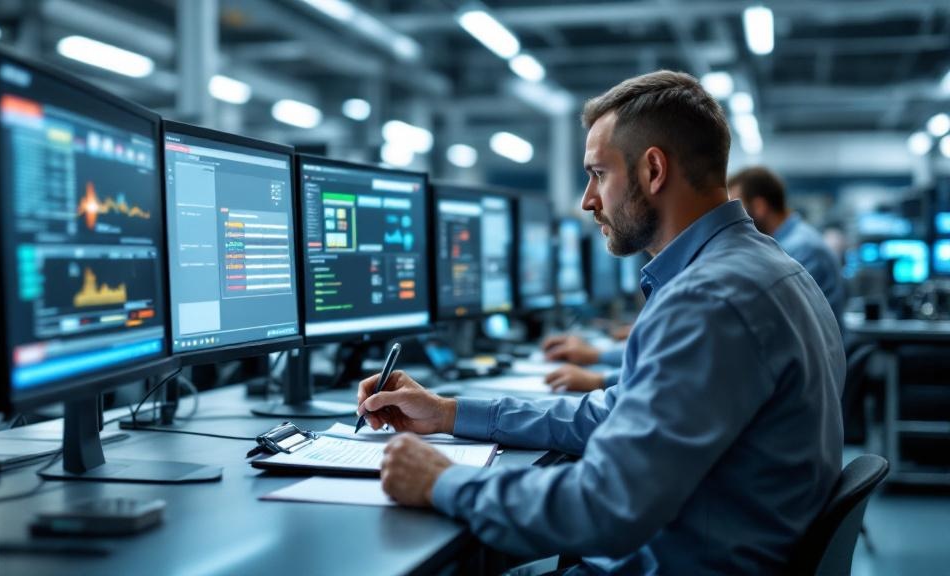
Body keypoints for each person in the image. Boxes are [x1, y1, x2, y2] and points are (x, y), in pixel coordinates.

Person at [358, 70, 845, 575]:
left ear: (654, 170)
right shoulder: (771, 269)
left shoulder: (707, 299)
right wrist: (449, 414)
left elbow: (606, 505)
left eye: (597, 174)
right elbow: (615, 412)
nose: (588, 199)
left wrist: (441, 481)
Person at [728, 166, 846, 331]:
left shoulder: (802, 249)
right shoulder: (787, 244)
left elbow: (777, 317)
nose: (732, 219)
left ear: (759, 207)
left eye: (737, 209)